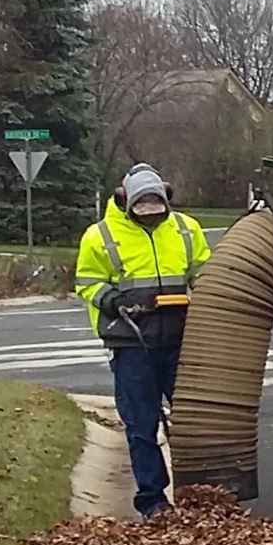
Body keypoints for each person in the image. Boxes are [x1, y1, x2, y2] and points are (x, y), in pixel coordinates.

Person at [75, 163, 211, 518]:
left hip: (182, 337)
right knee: (141, 423)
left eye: (156, 205)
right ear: (125, 201)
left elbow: (204, 272)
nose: (150, 213)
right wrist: (113, 300)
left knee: (195, 419)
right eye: (142, 206)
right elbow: (87, 282)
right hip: (131, 341)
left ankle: (199, 492)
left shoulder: (185, 229)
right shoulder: (100, 235)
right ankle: (153, 500)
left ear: (166, 199)